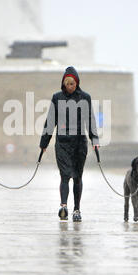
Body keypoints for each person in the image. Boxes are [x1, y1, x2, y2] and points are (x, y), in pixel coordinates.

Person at [39, 66, 100, 222]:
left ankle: (77, 209)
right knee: (65, 175)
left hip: (80, 143)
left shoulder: (85, 97)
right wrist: (44, 143)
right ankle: (64, 206)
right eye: (67, 84)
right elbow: (50, 121)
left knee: (77, 177)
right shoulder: (57, 97)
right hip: (63, 143)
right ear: (63, 84)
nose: (70, 87)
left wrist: (95, 140)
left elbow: (90, 120)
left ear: (77, 83)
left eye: (72, 84)